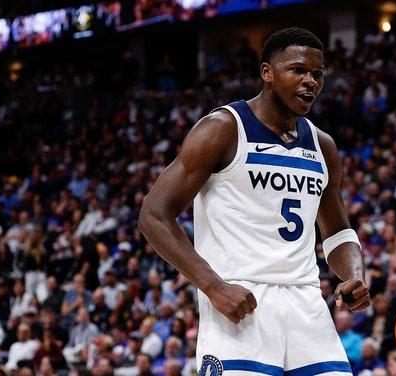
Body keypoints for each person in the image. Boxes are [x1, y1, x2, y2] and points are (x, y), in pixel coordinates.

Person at [138, 27, 370, 375]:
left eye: (317, 74)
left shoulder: (323, 146)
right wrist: (213, 286)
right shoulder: (223, 128)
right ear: (267, 73)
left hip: (306, 301)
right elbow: (154, 215)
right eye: (298, 70)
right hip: (240, 301)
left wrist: (354, 274)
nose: (310, 81)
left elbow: (338, 231)